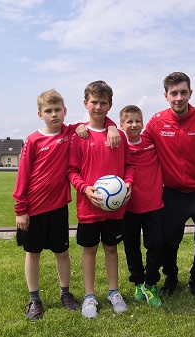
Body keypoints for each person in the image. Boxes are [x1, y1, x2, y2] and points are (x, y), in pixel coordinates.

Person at [13, 89, 120, 321]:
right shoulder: (33, 140)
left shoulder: (71, 133)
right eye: (48, 111)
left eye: (57, 110)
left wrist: (112, 126)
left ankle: (65, 293)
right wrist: (20, 209)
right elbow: (23, 176)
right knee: (33, 254)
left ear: (65, 111)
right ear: (40, 114)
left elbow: (97, 119)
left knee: (62, 252)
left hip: (59, 207)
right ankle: (34, 299)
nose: (54, 114)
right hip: (33, 209)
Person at [142, 72, 195, 300]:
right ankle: (171, 277)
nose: (179, 98)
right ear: (166, 95)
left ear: (190, 93)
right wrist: (107, 128)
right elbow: (135, 142)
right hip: (171, 194)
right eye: (174, 93)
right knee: (167, 241)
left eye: (183, 92)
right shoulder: (157, 121)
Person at [67, 80, 135, 319]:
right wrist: (85, 189)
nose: (98, 106)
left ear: (110, 105)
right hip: (88, 207)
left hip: (114, 209)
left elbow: (129, 166)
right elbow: (72, 171)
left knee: (111, 249)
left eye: (103, 103)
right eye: (93, 102)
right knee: (89, 250)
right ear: (85, 103)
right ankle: (89, 296)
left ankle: (113, 292)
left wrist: (128, 184)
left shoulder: (119, 136)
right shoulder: (79, 135)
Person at [119, 105, 164, 307]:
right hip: (128, 207)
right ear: (121, 125)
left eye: (138, 121)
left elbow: (166, 121)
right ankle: (138, 282)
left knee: (156, 244)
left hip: (154, 204)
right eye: (129, 121)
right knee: (131, 247)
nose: (134, 124)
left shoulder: (151, 140)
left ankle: (151, 282)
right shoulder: (117, 144)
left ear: (143, 123)